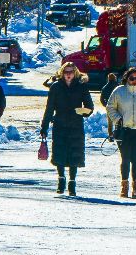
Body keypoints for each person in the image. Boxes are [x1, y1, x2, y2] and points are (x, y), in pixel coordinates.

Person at [40, 61, 95, 196]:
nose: (68, 75)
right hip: (60, 124)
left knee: (74, 154)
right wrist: (44, 126)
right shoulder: (56, 87)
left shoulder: (81, 87)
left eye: (70, 72)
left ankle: (72, 183)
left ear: (75, 72)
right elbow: (49, 108)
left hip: (76, 125)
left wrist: (83, 111)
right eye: (66, 72)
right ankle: (61, 180)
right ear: (62, 73)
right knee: (60, 153)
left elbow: (90, 107)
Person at [104, 67, 136, 198]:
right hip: (124, 131)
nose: (134, 81)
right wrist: (118, 119)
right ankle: (124, 186)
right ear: (126, 79)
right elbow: (110, 107)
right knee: (125, 158)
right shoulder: (119, 91)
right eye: (131, 78)